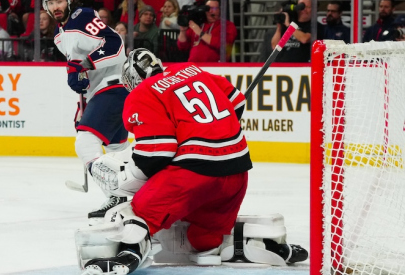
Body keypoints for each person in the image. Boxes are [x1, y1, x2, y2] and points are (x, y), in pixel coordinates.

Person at [76, 48, 308, 274]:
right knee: (203, 239)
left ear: (132, 79)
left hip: (194, 175)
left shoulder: (143, 92)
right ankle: (252, 243)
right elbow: (237, 102)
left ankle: (128, 253)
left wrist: (126, 180)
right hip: (236, 174)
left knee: (133, 212)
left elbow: (156, 154)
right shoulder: (190, 70)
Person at [43, 0, 130, 223]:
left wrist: (86, 65)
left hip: (113, 86)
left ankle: (117, 196)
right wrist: (82, 96)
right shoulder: (59, 34)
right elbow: (79, 68)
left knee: (85, 143)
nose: (56, 6)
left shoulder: (81, 17)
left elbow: (115, 44)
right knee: (116, 151)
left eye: (59, 0)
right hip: (103, 92)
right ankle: (133, 197)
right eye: (50, 2)